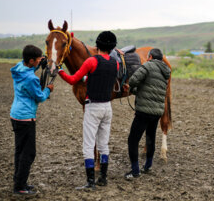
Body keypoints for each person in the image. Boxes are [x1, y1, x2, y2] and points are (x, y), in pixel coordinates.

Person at [58, 31, 118, 189]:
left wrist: (59, 70)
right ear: (112, 47)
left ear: (97, 45)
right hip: (107, 108)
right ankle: (103, 178)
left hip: (93, 107)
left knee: (88, 145)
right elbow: (99, 77)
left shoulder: (91, 61)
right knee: (103, 144)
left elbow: (72, 79)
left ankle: (90, 182)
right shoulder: (115, 63)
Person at [10, 45, 53, 195]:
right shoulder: (31, 79)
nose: (40, 60)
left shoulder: (19, 68)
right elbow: (40, 97)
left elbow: (28, 72)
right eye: (38, 59)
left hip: (16, 115)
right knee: (29, 153)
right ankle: (20, 187)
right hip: (26, 118)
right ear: (31, 60)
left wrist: (38, 64)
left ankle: (19, 181)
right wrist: (49, 89)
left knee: (19, 151)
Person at [123, 48, 171, 180]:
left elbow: (133, 80)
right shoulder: (165, 71)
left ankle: (135, 171)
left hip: (143, 111)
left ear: (149, 57)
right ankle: (148, 166)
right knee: (150, 137)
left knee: (132, 140)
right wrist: (138, 90)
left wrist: (132, 89)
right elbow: (150, 91)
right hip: (157, 112)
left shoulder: (147, 66)